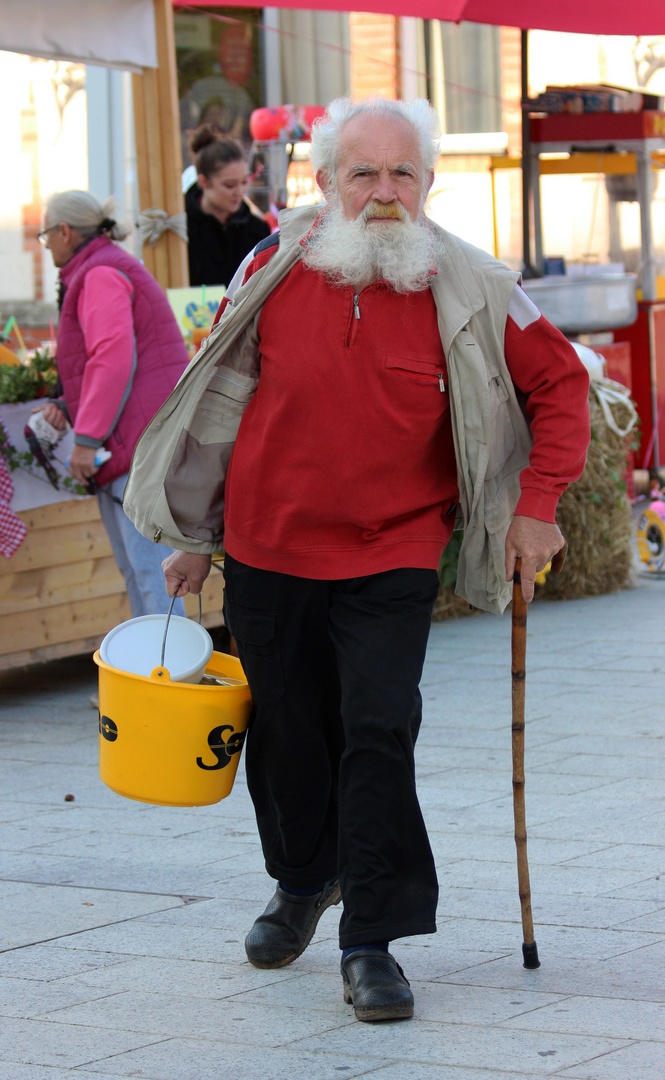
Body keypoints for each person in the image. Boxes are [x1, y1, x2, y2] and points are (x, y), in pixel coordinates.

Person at [125, 97, 590, 1023]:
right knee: (290, 734)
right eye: (363, 174)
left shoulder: (473, 281)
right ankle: (303, 879)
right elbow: (219, 404)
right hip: (267, 543)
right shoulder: (268, 265)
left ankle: (370, 938)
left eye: (401, 174)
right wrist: (195, 537)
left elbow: (561, 384)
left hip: (393, 548)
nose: (383, 194)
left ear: (428, 182)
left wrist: (536, 508)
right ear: (325, 180)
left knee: (379, 730)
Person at [35, 190, 190, 618]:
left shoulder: (100, 272)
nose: (47, 245)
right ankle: (152, 680)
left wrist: (86, 439)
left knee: (151, 577)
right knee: (143, 574)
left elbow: (112, 358)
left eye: (46, 235)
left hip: (138, 448)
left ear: (65, 232)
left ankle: (167, 679)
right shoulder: (105, 266)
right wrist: (68, 407)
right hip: (140, 443)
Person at [185, 126, 270, 287]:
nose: (239, 192)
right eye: (230, 185)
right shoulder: (180, 229)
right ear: (204, 182)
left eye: (244, 182)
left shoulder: (258, 231)